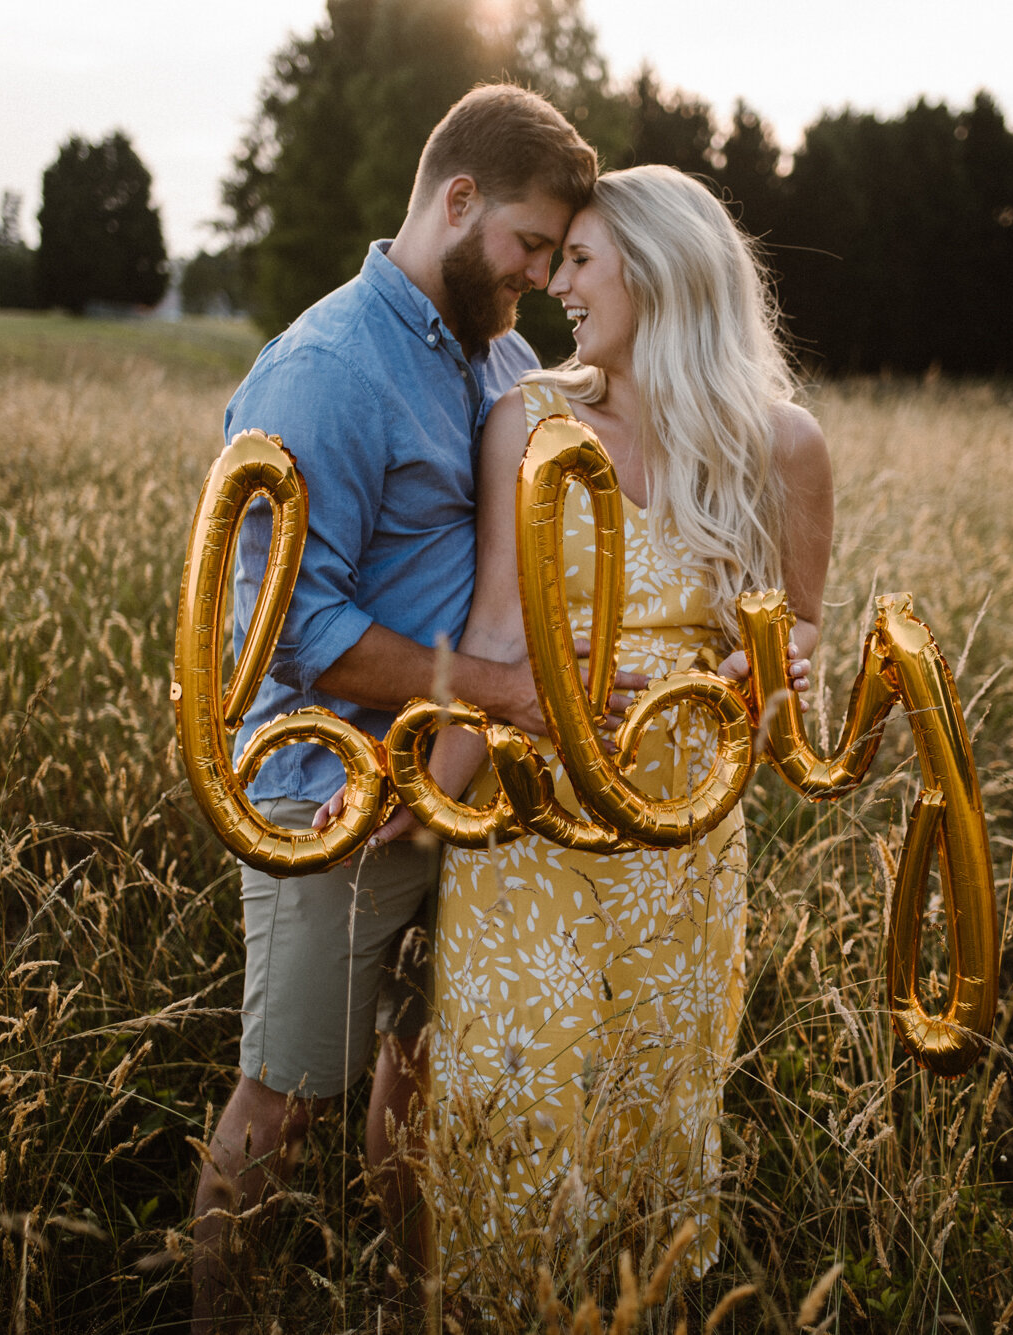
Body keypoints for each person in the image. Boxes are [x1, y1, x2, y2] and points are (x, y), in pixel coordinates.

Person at [189, 85, 628, 1332]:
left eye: (555, 256)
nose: (539, 277)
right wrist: (501, 691)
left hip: (448, 789)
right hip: (325, 795)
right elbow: (282, 629)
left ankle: (411, 1307)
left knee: (416, 1073)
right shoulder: (328, 369)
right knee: (285, 1096)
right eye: (529, 246)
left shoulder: (493, 355)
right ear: (456, 201)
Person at [376, 163, 833, 1292]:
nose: (555, 285)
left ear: (659, 266)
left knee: (654, 1115)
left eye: (578, 260)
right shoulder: (524, 421)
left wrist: (770, 678)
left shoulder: (780, 447)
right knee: (517, 1095)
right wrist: (422, 798)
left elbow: (802, 649)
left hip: (681, 834)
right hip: (530, 826)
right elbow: (493, 622)